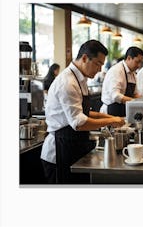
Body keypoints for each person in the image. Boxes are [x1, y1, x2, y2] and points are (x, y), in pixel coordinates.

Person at [40, 40, 125, 184]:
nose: (99, 69)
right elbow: (79, 123)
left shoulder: (81, 79)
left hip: (73, 145)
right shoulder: (68, 82)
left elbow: (85, 112)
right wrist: (111, 121)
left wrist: (113, 117)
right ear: (85, 58)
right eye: (98, 63)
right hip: (59, 152)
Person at [100, 46, 143, 117]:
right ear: (129, 58)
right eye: (137, 62)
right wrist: (134, 102)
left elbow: (135, 94)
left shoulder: (133, 74)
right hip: (110, 112)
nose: (139, 65)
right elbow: (115, 96)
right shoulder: (117, 70)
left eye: (140, 62)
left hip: (123, 110)